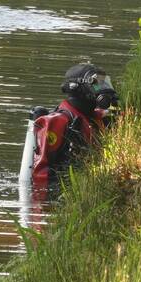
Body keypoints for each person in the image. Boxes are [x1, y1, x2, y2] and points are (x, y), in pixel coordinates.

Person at [28, 63, 118, 191]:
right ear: (77, 88)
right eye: (96, 84)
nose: (103, 89)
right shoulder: (56, 122)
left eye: (104, 83)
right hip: (58, 195)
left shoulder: (100, 119)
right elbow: (41, 175)